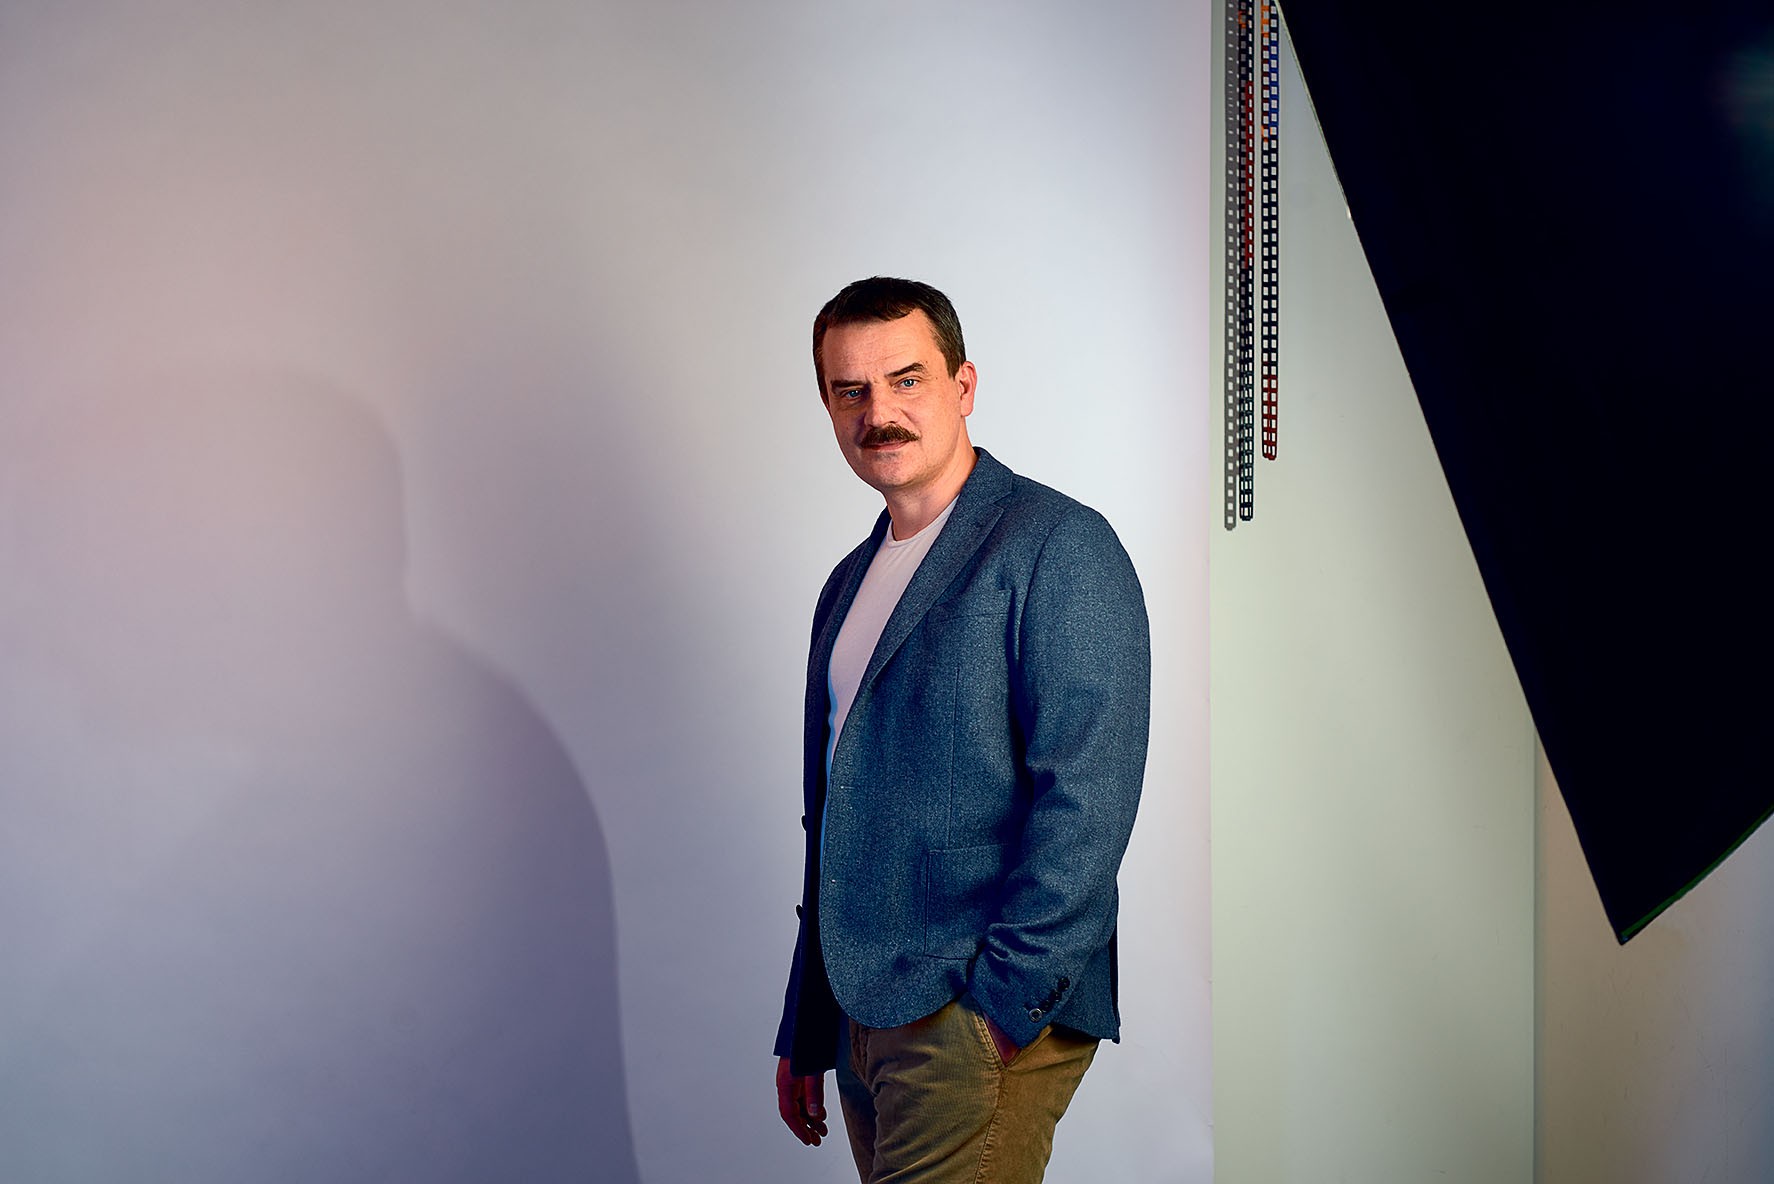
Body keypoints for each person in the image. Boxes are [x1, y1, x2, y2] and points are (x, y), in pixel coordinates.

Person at [774, 277, 1151, 1183]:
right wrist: (807, 1022)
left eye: (906, 380)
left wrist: (1002, 1009)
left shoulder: (1058, 546)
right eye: (850, 391)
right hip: (862, 1019)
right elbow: (838, 818)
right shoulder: (847, 583)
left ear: (964, 385)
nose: (879, 413)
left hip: (971, 1015)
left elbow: (1088, 795)